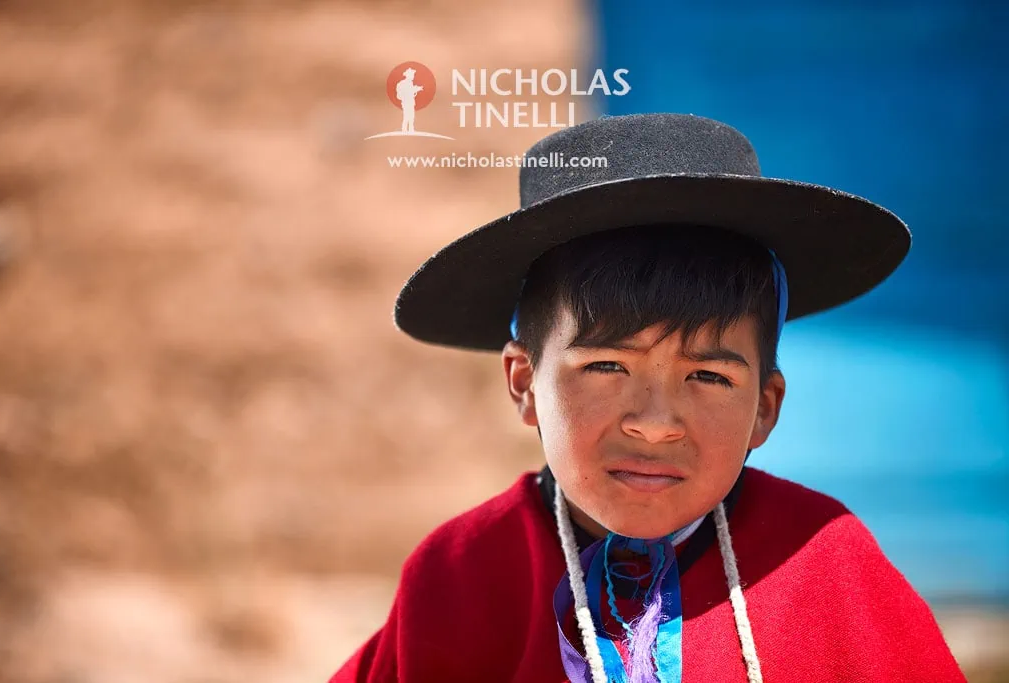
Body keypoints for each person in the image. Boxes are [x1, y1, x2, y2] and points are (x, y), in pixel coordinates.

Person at [330, 113, 967, 683]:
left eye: (710, 377)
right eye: (607, 366)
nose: (657, 424)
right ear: (524, 383)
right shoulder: (461, 575)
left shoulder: (826, 563)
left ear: (765, 408)